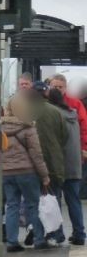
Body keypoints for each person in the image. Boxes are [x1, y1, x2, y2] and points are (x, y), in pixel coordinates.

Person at [0, 94, 50, 252]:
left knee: (12, 206)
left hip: (7, 172)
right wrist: (45, 176)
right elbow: (37, 154)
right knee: (32, 205)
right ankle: (39, 239)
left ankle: (11, 241)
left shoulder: (1, 128)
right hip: (27, 172)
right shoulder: (28, 127)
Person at [29, 81, 68, 245]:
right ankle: (57, 233)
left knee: (34, 201)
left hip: (31, 164)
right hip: (53, 162)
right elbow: (64, 136)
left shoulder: (25, 111)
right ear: (45, 93)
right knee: (54, 198)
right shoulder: (56, 111)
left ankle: (38, 235)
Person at [48, 88, 86, 246]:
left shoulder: (55, 116)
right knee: (74, 200)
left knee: (55, 200)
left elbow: (54, 143)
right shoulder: (73, 114)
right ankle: (79, 234)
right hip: (74, 164)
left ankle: (58, 234)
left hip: (59, 165)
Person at [48, 74, 87, 202]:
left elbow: (84, 127)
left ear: (65, 88)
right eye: (55, 86)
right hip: (53, 153)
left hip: (71, 153)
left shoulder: (75, 103)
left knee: (72, 194)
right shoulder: (45, 103)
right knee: (56, 194)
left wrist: (83, 147)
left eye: (60, 87)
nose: (58, 89)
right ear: (50, 86)